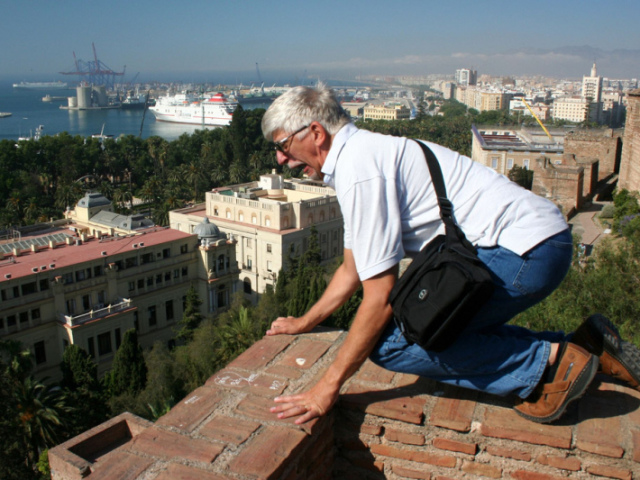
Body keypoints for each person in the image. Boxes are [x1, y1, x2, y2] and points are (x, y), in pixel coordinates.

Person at [261, 83, 640, 425]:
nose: (281, 159)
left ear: (315, 133)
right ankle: (585, 346)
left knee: (392, 343)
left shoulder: (360, 170)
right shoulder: (365, 153)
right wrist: (305, 321)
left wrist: (327, 386)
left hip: (524, 251)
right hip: (538, 241)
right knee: (449, 324)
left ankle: (549, 366)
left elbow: (379, 301)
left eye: (282, 146)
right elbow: (352, 268)